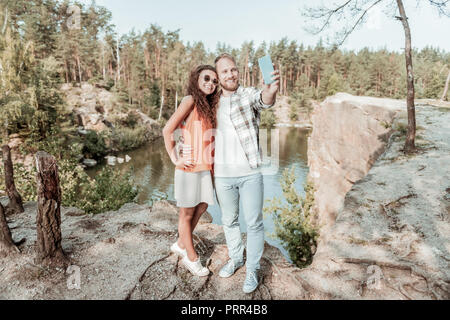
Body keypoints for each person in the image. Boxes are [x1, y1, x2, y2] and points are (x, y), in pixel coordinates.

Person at [213, 53, 280, 293]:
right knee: (229, 220)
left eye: (233, 69)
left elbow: (264, 100)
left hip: (250, 172)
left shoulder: (248, 94)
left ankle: (252, 269)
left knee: (253, 223)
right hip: (222, 175)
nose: (230, 74)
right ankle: (236, 258)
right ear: (218, 76)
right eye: (224, 71)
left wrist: (270, 90)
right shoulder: (211, 101)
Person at [162, 65, 219, 277]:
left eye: (214, 81)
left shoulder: (208, 105)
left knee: (202, 205)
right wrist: (175, 157)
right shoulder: (190, 100)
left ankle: (179, 243)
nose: (211, 84)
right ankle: (191, 258)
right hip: (188, 167)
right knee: (186, 213)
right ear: (196, 79)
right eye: (206, 78)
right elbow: (168, 129)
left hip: (204, 166)